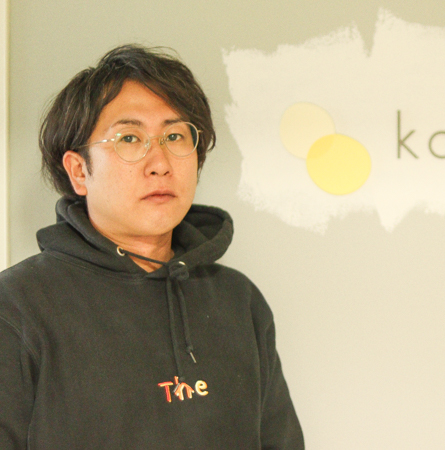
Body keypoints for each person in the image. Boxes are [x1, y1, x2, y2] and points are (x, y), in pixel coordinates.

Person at [0, 44, 304, 449]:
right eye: (129, 138)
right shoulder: (17, 307)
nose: (159, 163)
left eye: (175, 136)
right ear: (79, 171)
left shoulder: (239, 301)